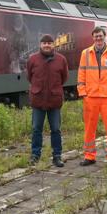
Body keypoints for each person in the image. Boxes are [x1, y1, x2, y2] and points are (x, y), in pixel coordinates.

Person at [77, 26, 107, 166]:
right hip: (90, 98)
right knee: (89, 129)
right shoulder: (85, 53)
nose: (98, 38)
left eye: (100, 36)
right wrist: (83, 93)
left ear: (105, 37)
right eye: (96, 36)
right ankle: (89, 156)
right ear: (93, 38)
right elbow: (81, 74)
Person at [26, 34, 69, 167]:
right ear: (40, 44)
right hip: (38, 100)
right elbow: (29, 77)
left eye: (49, 43)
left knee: (56, 129)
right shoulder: (32, 59)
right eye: (44, 43)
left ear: (53, 45)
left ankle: (57, 156)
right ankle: (35, 155)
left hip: (54, 100)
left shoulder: (61, 59)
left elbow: (64, 78)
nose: (47, 45)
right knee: (36, 129)